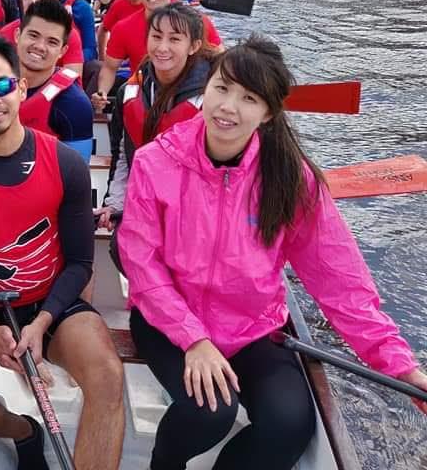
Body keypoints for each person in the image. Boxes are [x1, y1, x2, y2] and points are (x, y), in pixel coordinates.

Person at [118, 35, 427, 470]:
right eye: (221, 88)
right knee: (210, 411)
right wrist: (195, 339)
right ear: (205, 89)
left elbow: (341, 283)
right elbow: (142, 266)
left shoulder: (292, 179)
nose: (228, 107)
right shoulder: (155, 162)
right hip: (169, 321)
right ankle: (163, 464)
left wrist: (402, 367)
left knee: (288, 426)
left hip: (252, 327)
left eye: (248, 98)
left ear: (268, 113)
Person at [0, 35, 125, 470]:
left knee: (109, 378)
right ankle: (22, 431)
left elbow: (80, 263)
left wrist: (42, 322)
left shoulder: (64, 163)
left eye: (1, 87)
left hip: (55, 305)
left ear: (19, 88)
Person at [104, 3, 213, 215]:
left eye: (174, 39)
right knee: (119, 244)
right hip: (144, 200)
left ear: (194, 46)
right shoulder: (128, 93)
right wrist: (115, 203)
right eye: (156, 37)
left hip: (194, 209)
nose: (162, 47)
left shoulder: (211, 100)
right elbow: (123, 155)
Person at [93, 0, 222, 112]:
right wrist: (102, 93)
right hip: (146, 99)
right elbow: (109, 68)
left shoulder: (200, 22)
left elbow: (220, 61)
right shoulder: (124, 27)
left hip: (191, 98)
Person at [16, 0, 94, 163]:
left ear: (62, 51)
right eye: (33, 35)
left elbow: (77, 176)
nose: (40, 46)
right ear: (17, 35)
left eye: (52, 42)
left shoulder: (74, 104)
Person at [0, 0, 83, 78]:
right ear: (17, 35)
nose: (33, 2)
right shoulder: (5, 33)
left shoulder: (69, 34)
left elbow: (72, 76)